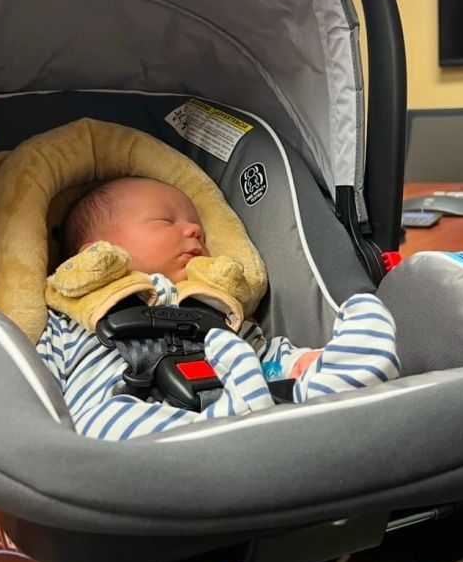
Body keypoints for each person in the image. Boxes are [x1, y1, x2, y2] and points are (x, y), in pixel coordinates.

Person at [35, 176, 399, 441]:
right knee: (101, 423)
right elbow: (36, 382)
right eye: (166, 221)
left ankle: (356, 356)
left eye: (199, 228)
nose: (194, 229)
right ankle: (236, 428)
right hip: (132, 425)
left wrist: (299, 364)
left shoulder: (214, 304)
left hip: (244, 396)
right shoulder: (71, 318)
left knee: (298, 376)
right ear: (95, 251)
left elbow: (259, 353)